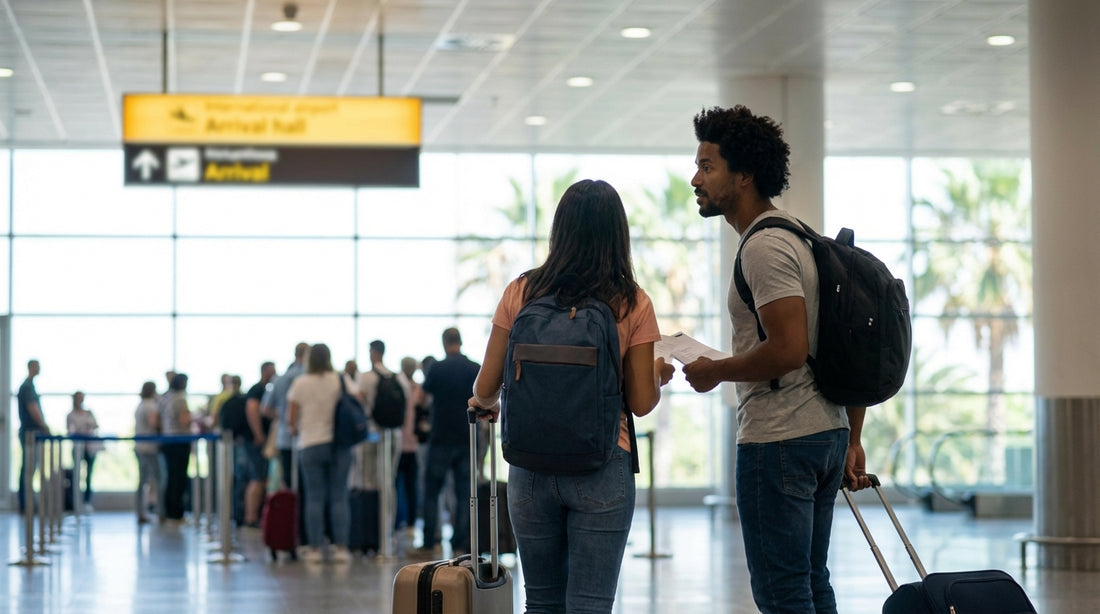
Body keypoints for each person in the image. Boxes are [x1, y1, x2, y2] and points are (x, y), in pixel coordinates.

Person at [681, 105, 869, 614]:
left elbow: (787, 350)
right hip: (823, 430)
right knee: (810, 583)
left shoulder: (764, 248)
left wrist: (715, 370)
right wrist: (852, 436)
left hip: (781, 437)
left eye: (707, 166)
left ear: (743, 176)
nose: (695, 178)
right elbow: (836, 343)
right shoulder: (801, 237)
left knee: (783, 591)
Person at [469, 179, 673, 613]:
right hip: (602, 464)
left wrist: (489, 406)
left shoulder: (521, 292)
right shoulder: (632, 303)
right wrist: (657, 373)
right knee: (590, 606)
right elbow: (640, 402)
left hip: (529, 468)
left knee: (541, 603)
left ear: (559, 230)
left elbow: (484, 389)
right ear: (618, 235)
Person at [413, 328, 480, 558]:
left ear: (444, 343)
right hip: (466, 437)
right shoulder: (474, 368)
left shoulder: (437, 368)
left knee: (432, 491)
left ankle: (430, 541)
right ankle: (461, 543)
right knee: (464, 494)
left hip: (440, 437)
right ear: (460, 342)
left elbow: (421, 398)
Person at [287, 343, 356, 564]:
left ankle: (315, 548)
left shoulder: (300, 383)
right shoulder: (340, 379)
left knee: (314, 497)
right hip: (339, 443)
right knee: (339, 496)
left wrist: (300, 427)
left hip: (310, 444)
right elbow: (358, 399)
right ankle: (342, 548)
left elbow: (291, 420)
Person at [264, 342, 308, 489]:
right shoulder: (310, 379)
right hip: (308, 438)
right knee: (308, 484)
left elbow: (265, 408)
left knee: (289, 481)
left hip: (285, 437)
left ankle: (293, 511)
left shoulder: (281, 379)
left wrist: (282, 414)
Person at [243, 361, 276, 528]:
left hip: (259, 439)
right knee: (257, 477)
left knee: (260, 477)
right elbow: (252, 409)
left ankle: (253, 516)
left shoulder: (264, 389)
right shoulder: (257, 389)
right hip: (257, 440)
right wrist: (259, 434)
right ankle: (250, 516)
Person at [17, 359, 50, 514]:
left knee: (29, 469)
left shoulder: (30, 386)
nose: (40, 369)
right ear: (31, 367)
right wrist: (43, 425)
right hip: (30, 434)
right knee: (29, 469)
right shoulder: (27, 387)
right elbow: (32, 408)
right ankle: (26, 505)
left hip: (30, 433)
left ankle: (27, 504)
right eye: (37, 366)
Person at [160, 373, 192, 522]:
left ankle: (170, 511)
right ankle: (176, 512)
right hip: (179, 441)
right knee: (178, 478)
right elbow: (184, 420)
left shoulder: (166, 397)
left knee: (171, 477)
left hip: (168, 441)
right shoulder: (180, 398)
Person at [394, 356, 421, 532]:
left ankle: (406, 521)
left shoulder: (415, 388)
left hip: (406, 444)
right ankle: (404, 521)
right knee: (407, 486)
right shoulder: (417, 389)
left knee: (405, 486)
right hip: (407, 443)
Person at [217, 375, 248, 526]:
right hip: (239, 443)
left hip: (229, 442)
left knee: (234, 479)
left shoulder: (224, 399)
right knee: (240, 479)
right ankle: (238, 514)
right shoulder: (240, 399)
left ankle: (233, 513)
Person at [66, 391, 102, 510]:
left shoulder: (88, 413)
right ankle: (75, 502)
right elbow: (70, 430)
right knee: (76, 475)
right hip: (77, 447)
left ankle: (87, 502)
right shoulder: (71, 415)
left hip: (90, 447)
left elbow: (95, 426)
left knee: (89, 475)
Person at [134, 381, 162, 523]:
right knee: (157, 479)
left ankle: (141, 511)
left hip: (140, 447)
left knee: (142, 481)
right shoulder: (151, 406)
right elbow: (153, 425)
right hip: (149, 448)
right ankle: (161, 512)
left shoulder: (140, 405)